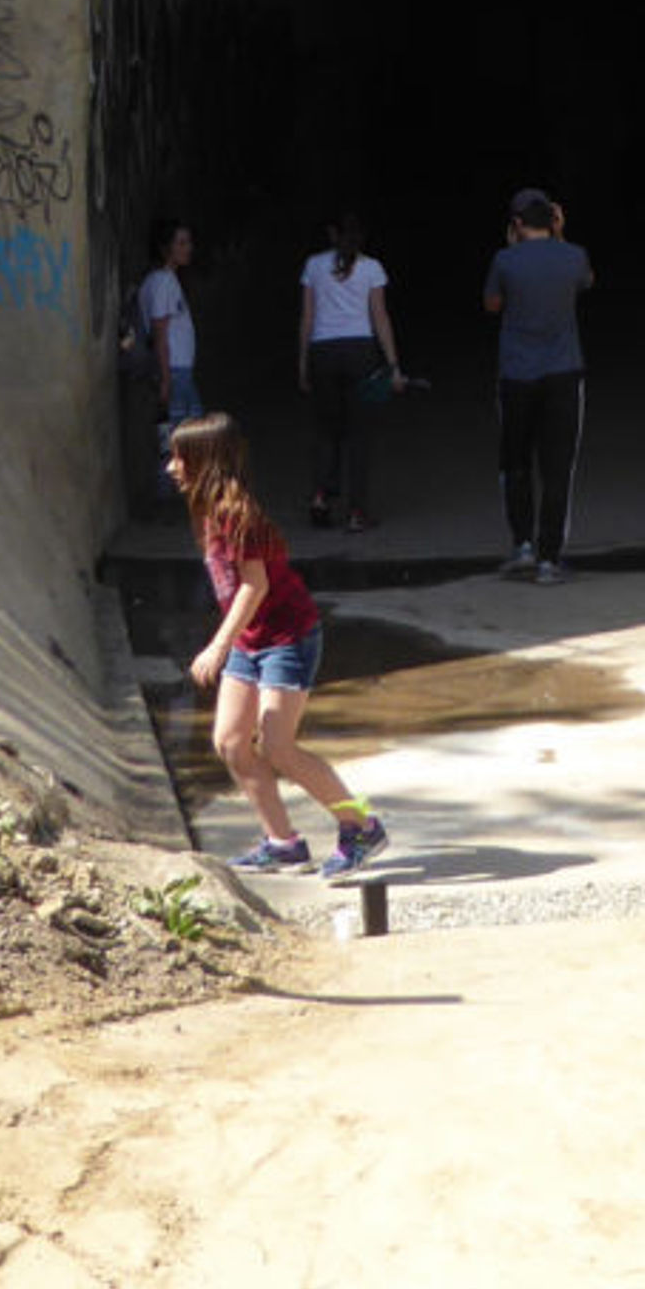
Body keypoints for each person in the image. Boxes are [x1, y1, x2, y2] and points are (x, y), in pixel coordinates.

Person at [168, 413, 387, 878]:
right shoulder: (207, 510)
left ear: (204, 462)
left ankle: (361, 826)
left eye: (180, 458)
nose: (171, 467)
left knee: (278, 746)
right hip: (252, 640)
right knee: (230, 742)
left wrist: (217, 645)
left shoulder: (236, 512)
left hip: (288, 638)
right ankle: (282, 842)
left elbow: (255, 585)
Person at [484, 186, 593, 582]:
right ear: (554, 219)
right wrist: (561, 237)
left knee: (514, 462)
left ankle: (522, 545)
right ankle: (551, 557)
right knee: (558, 465)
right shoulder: (574, 256)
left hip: (517, 373)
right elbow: (586, 282)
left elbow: (492, 305)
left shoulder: (505, 260)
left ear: (516, 223)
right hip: (564, 371)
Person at [294, 210, 401, 531]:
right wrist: (393, 364)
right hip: (360, 353)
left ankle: (320, 498)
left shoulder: (313, 266)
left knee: (326, 430)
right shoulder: (372, 268)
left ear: (331, 234)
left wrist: (302, 361)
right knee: (360, 434)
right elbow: (380, 317)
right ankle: (357, 512)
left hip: (323, 352)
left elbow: (307, 317)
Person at [130, 220, 201, 458]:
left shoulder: (164, 280)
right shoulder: (162, 282)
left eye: (189, 242)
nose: (188, 247)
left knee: (183, 439)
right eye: (181, 243)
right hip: (174, 371)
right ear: (166, 248)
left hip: (178, 371)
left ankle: (180, 491)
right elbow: (160, 334)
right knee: (185, 441)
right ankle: (175, 492)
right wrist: (166, 378)